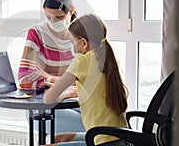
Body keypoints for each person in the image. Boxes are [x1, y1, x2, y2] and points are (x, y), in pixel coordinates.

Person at [43, 14, 131, 146]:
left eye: (73, 43)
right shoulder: (108, 58)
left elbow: (48, 99)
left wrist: (65, 94)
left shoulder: (82, 61)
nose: (74, 49)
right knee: (58, 139)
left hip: (104, 142)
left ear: (83, 43)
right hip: (121, 136)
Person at [18, 0, 85, 133]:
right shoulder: (37, 33)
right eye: (49, 18)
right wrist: (70, 86)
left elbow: (87, 80)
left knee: (104, 123)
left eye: (59, 17)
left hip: (74, 101)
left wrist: (51, 79)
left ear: (71, 10)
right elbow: (24, 79)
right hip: (45, 105)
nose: (54, 22)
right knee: (91, 127)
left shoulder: (80, 38)